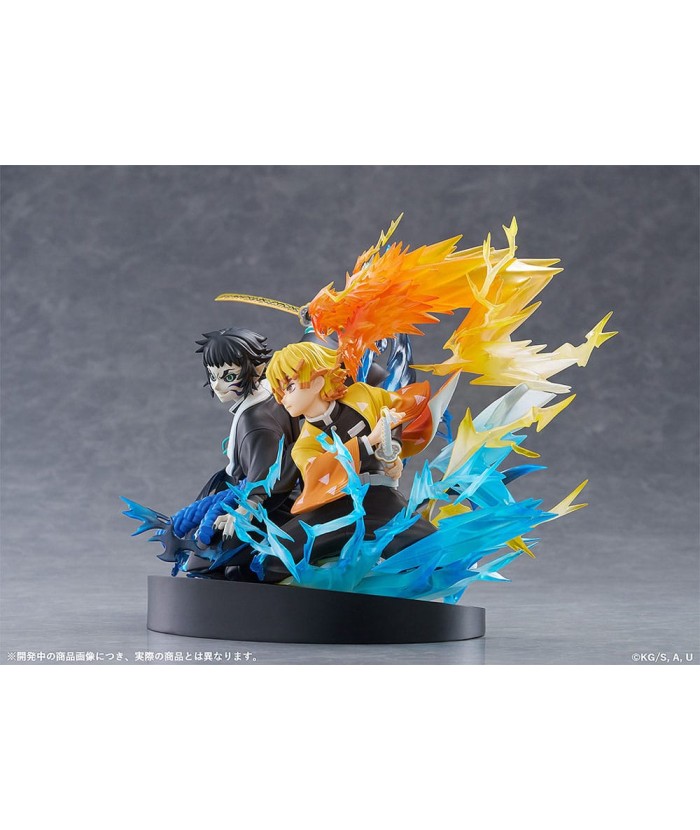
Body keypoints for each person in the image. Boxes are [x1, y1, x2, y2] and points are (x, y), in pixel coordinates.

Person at [253, 341, 456, 582]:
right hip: (333, 510)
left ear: (317, 380)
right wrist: (367, 442)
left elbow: (395, 410)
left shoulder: (362, 395)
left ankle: (404, 587)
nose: (283, 399)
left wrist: (393, 448)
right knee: (272, 559)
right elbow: (318, 472)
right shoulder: (305, 443)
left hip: (379, 499)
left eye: (290, 387)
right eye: (280, 391)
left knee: (436, 552)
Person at [177, 328, 301, 575]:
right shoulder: (271, 388)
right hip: (261, 490)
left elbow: (264, 477)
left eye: (229, 376)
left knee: (202, 557)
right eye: (213, 376)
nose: (217, 385)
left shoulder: (257, 422)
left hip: (272, 503)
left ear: (257, 369)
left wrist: (245, 508)